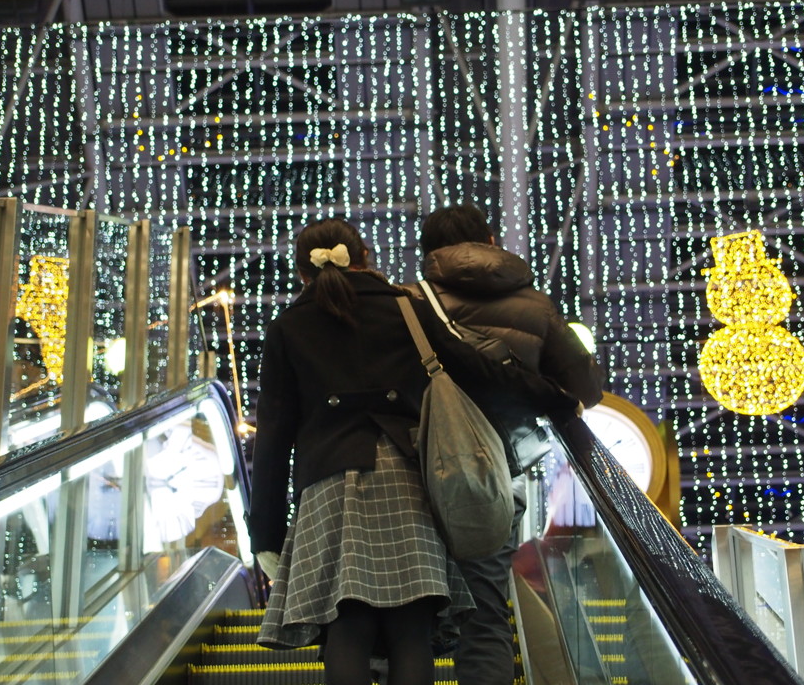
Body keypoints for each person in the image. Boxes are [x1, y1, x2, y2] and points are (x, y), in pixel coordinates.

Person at [247, 218, 578, 685]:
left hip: (327, 489)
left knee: (346, 627)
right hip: (404, 479)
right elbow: (472, 365)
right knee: (410, 629)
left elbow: (274, 436)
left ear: (303, 272)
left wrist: (265, 531)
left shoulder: (288, 326)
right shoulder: (404, 307)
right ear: (364, 257)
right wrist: (555, 396)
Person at [406, 203, 605, 685]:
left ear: (428, 252)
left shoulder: (408, 304)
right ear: (491, 243)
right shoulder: (535, 305)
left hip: (416, 476)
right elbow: (587, 388)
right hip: (496, 477)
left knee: (407, 620)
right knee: (485, 615)